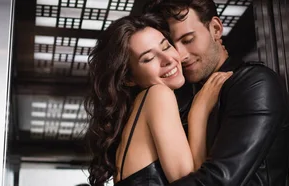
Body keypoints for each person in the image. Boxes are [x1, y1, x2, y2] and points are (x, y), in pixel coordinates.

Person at [143, 0, 289, 186]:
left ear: (215, 29)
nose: (180, 56)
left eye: (188, 40)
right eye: (171, 45)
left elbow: (218, 181)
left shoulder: (254, 83)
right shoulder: (185, 96)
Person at [84, 14, 233, 186]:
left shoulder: (138, 113)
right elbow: (195, 182)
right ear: (129, 78)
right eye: (148, 58)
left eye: (166, 46)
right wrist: (198, 114)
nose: (168, 60)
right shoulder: (158, 95)